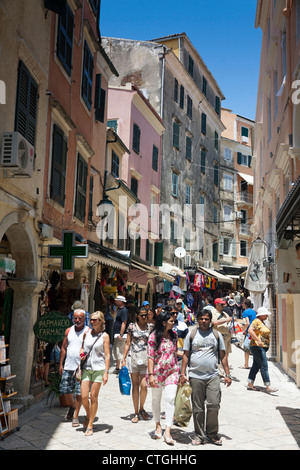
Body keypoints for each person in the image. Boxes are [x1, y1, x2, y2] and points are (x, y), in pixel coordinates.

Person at [180, 309, 232, 446]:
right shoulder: (191, 334)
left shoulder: (216, 335)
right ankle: (199, 435)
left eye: (206, 319)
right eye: (201, 318)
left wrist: (227, 374)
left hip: (213, 376)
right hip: (195, 376)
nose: (204, 321)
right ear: (198, 319)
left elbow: (223, 355)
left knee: (214, 404)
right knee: (198, 408)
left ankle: (212, 434)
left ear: (210, 320)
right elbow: (185, 355)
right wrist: (182, 373)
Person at [147, 311, 179, 445]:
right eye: (171, 321)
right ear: (164, 322)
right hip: (157, 372)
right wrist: (151, 375)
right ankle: (157, 425)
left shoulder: (174, 335)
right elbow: (150, 356)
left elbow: (175, 352)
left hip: (172, 371)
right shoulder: (154, 336)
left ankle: (168, 430)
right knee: (156, 399)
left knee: (170, 398)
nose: (174, 323)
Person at [80, 311, 110, 436]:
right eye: (91, 320)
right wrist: (81, 353)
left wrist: (106, 372)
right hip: (86, 368)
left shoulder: (105, 336)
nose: (92, 322)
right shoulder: (86, 333)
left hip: (99, 368)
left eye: (95, 320)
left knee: (93, 397)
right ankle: (88, 414)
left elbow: (107, 355)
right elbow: (82, 347)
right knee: (83, 396)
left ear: (101, 321)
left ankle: (90, 424)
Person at [121, 306, 153, 423]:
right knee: (135, 386)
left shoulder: (150, 327)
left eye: (146, 315)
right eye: (142, 315)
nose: (144, 317)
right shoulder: (131, 326)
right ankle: (135, 412)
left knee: (144, 386)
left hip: (146, 358)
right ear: (137, 316)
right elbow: (128, 343)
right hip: (133, 357)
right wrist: (123, 358)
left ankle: (141, 408)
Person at [58, 309, 90, 426]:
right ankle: (72, 406)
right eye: (75, 318)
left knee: (78, 392)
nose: (77, 320)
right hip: (68, 365)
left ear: (84, 319)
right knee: (65, 391)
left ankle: (75, 415)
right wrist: (61, 364)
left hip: (81, 368)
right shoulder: (69, 331)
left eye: (80, 318)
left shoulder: (88, 331)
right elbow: (63, 347)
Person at [247, 307, 278, 394]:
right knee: (264, 365)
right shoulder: (256, 321)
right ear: (261, 315)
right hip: (257, 346)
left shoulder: (262, 322)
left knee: (256, 365)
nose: (267, 315)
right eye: (266, 314)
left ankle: (250, 383)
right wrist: (258, 340)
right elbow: (250, 330)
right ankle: (268, 386)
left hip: (261, 347)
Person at [211, 298, 232, 376]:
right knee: (219, 355)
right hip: (218, 337)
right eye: (222, 304)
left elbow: (229, 322)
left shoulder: (224, 313)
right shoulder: (212, 313)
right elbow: (215, 322)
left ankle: (222, 372)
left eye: (224, 304)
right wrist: (226, 319)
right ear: (216, 305)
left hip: (226, 337)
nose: (223, 306)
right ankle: (220, 373)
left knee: (225, 355)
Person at [112, 295, 128, 374]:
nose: (116, 301)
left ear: (121, 301)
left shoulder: (124, 310)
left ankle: (123, 370)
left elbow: (124, 322)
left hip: (120, 335)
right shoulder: (120, 310)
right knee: (116, 352)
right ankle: (117, 368)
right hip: (117, 334)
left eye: (117, 300)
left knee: (120, 352)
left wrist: (121, 334)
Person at [240, 298, 256, 369]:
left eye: (243, 303)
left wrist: (243, 330)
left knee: (246, 348)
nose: (242, 304)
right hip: (254, 331)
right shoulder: (253, 311)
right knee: (254, 348)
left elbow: (247, 323)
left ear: (245, 304)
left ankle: (246, 365)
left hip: (249, 332)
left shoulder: (245, 312)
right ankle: (255, 365)